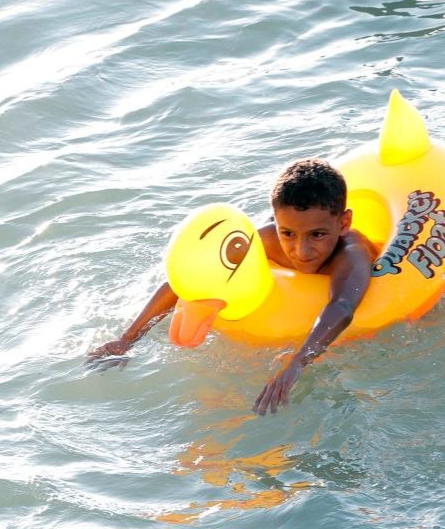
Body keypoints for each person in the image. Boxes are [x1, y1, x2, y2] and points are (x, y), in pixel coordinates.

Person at [87, 158, 376, 416]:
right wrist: (128, 339)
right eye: (288, 233)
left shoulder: (351, 255)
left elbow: (342, 306)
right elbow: (194, 278)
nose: (301, 250)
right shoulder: (265, 240)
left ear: (344, 223)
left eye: (317, 235)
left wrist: (296, 364)